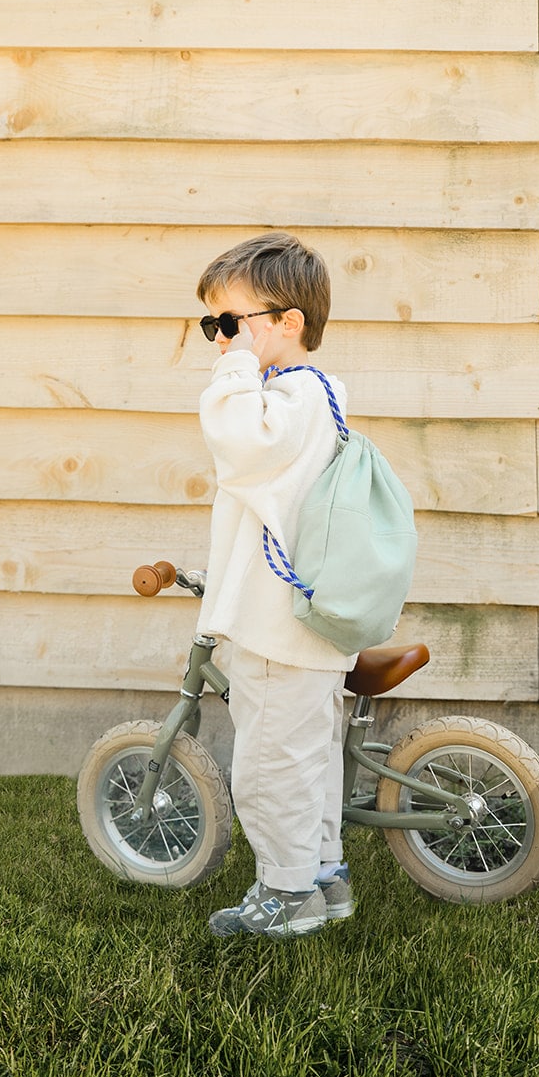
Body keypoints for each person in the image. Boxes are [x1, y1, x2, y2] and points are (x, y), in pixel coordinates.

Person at [195, 231, 356, 939]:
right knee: (308, 756)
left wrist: (231, 373)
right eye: (213, 328)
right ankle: (323, 877)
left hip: (275, 623)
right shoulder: (315, 398)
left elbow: (238, 443)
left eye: (232, 325)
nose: (222, 342)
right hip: (303, 621)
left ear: (288, 323)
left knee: (267, 763)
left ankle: (285, 894)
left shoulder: (284, 402)